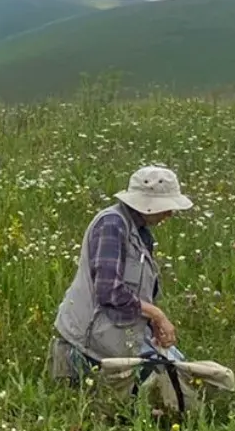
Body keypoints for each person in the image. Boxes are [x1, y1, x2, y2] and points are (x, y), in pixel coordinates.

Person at [48, 165, 193, 391]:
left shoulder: (140, 230)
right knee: (169, 385)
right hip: (90, 339)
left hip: (120, 330)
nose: (170, 214)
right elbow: (109, 291)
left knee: (182, 373)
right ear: (147, 204)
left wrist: (151, 322)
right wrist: (157, 314)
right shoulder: (112, 226)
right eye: (166, 207)